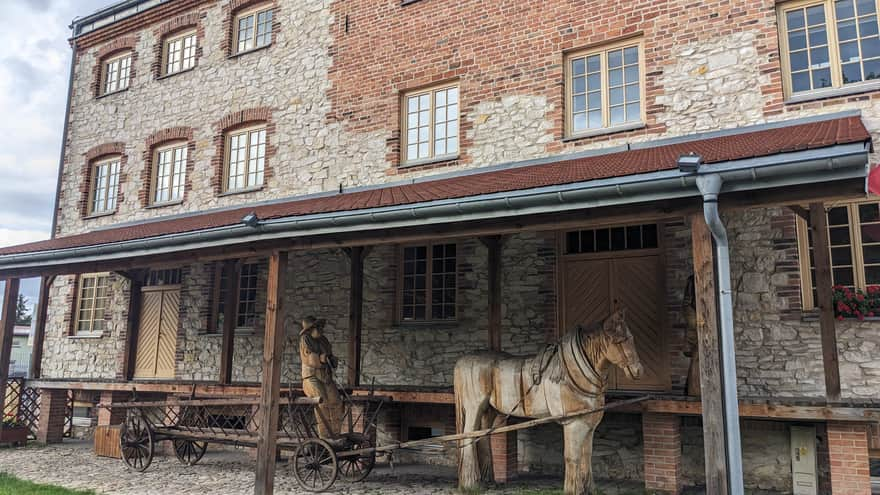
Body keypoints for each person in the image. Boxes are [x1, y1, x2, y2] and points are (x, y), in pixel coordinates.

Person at [299, 316, 344, 438]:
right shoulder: (305, 339)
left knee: (336, 402)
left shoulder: (324, 340)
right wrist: (321, 358)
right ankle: (325, 436)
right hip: (311, 377)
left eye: (320, 326)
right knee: (322, 402)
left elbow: (330, 356)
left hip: (326, 377)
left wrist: (332, 359)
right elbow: (309, 358)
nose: (320, 329)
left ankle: (335, 434)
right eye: (317, 327)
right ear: (310, 329)